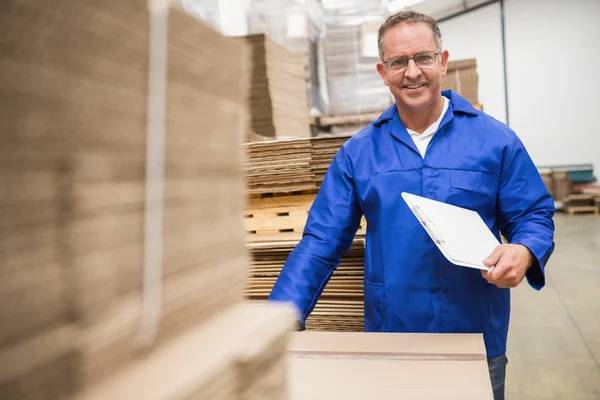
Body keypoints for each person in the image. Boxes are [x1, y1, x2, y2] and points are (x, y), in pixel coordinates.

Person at [268, 10, 555, 400]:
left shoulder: (495, 141)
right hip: (393, 338)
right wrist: (280, 314)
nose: (412, 71)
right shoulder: (359, 154)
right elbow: (321, 242)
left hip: (475, 338)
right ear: (383, 72)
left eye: (422, 57)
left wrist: (524, 250)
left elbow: (532, 214)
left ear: (443, 61)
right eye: (398, 62)